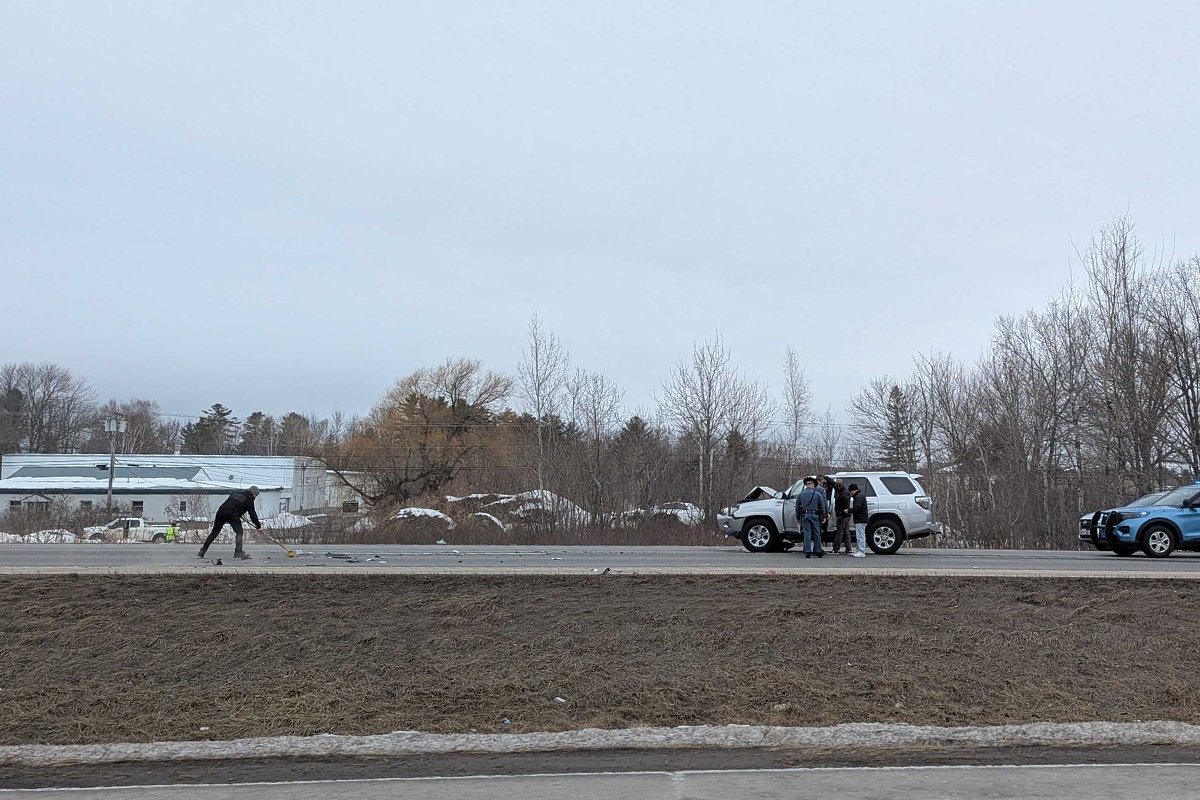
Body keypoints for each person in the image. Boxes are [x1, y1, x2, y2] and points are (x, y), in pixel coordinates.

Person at [198, 486, 262, 560]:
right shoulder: (249, 499)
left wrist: (239, 511)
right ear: (253, 493)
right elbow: (252, 514)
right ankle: (238, 552)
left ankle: (202, 551)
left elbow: (232, 504)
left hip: (221, 512)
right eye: (256, 495)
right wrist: (258, 526)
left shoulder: (235, 493)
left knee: (214, 533)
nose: (255, 497)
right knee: (239, 532)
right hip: (232, 515)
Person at [795, 477, 827, 558]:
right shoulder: (817, 494)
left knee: (807, 533)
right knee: (817, 533)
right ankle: (818, 550)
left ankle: (808, 551)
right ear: (813, 484)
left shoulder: (801, 494)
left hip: (805, 516)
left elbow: (797, 507)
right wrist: (824, 516)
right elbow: (822, 506)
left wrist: (798, 518)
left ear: (806, 485)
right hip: (815, 515)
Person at [832, 478, 852, 553]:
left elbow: (845, 507)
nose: (837, 486)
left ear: (842, 484)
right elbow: (832, 483)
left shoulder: (844, 494)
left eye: (838, 485)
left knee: (840, 532)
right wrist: (825, 478)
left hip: (843, 515)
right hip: (845, 515)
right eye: (836, 485)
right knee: (846, 532)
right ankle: (848, 548)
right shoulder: (840, 490)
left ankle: (836, 548)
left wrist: (840, 516)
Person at [849, 483, 869, 557]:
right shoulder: (860, 495)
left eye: (850, 491)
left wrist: (849, 510)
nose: (850, 493)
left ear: (853, 490)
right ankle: (858, 550)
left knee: (860, 536)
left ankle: (861, 551)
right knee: (859, 535)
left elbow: (857, 508)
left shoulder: (858, 497)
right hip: (861, 519)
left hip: (860, 519)